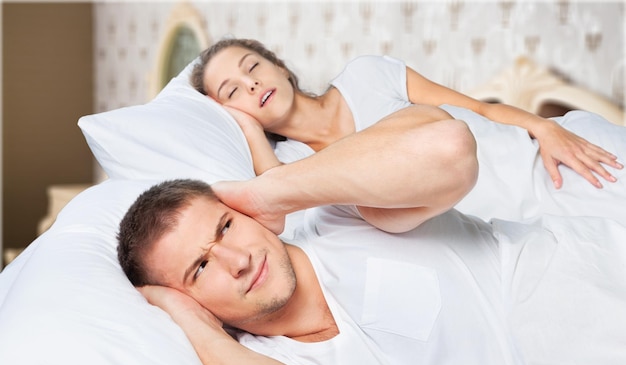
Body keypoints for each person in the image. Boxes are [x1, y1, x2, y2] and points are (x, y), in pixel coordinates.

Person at [117, 107, 626, 365]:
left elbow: (448, 148)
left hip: (577, 289)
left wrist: (273, 191)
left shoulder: (340, 213)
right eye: (199, 270)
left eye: (226, 227)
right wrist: (188, 323)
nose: (237, 260)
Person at [190, 37, 623, 194]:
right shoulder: (289, 168)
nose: (250, 84)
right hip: (498, 228)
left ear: (279, 68)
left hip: (542, 162)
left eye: (253, 68)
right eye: (233, 91)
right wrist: (246, 128)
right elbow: (274, 199)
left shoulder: (368, 75)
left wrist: (545, 127)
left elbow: (479, 108)